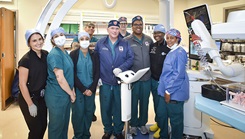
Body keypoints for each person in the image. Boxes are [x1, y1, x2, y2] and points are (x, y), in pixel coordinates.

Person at [95, 20, 134, 139]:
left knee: (118, 107)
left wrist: (121, 69)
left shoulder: (125, 43)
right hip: (105, 81)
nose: (114, 31)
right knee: (105, 107)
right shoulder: (100, 43)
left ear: (119, 30)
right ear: (107, 29)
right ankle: (107, 130)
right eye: (112, 28)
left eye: (116, 29)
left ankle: (118, 130)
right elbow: (95, 60)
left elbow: (130, 58)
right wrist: (97, 78)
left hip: (119, 82)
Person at [157, 28, 189, 139]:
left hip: (174, 91)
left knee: (176, 121)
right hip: (164, 90)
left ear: (177, 39)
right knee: (161, 116)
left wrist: (168, 91)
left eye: (172, 38)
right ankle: (163, 136)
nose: (169, 40)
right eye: (167, 38)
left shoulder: (180, 52)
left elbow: (178, 75)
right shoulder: (172, 51)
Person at [44, 27, 76, 139]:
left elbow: (68, 74)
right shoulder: (55, 54)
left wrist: (71, 90)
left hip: (65, 93)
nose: (59, 38)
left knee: (64, 125)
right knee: (56, 126)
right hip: (56, 95)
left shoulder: (64, 52)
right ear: (52, 40)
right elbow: (61, 79)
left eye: (61, 35)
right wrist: (71, 94)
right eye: (56, 36)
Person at [124, 15, 153, 136]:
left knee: (145, 103)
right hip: (134, 79)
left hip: (147, 78)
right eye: (136, 24)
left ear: (143, 25)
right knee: (133, 103)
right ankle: (133, 125)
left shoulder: (149, 40)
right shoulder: (126, 40)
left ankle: (142, 124)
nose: (138, 26)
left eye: (140, 24)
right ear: (132, 26)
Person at [18, 29, 48, 139]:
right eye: (34, 41)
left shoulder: (45, 55)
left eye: (40, 39)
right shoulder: (25, 60)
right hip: (28, 98)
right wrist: (30, 104)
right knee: (36, 129)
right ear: (29, 43)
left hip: (41, 98)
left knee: (43, 126)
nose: (38, 42)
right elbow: (22, 84)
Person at [70, 31, 100, 139]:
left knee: (88, 112)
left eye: (86, 39)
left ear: (89, 40)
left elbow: (97, 72)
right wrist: (83, 89)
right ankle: (78, 135)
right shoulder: (73, 54)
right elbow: (72, 73)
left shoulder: (94, 54)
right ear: (78, 41)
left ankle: (86, 134)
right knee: (78, 113)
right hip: (78, 89)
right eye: (81, 39)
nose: (84, 41)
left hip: (91, 89)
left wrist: (92, 88)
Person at [149, 24, 171, 139]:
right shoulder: (152, 46)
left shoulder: (168, 47)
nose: (157, 35)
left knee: (162, 107)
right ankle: (158, 123)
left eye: (160, 33)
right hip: (153, 79)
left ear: (164, 34)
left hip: (163, 82)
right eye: (155, 33)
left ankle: (163, 127)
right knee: (156, 104)